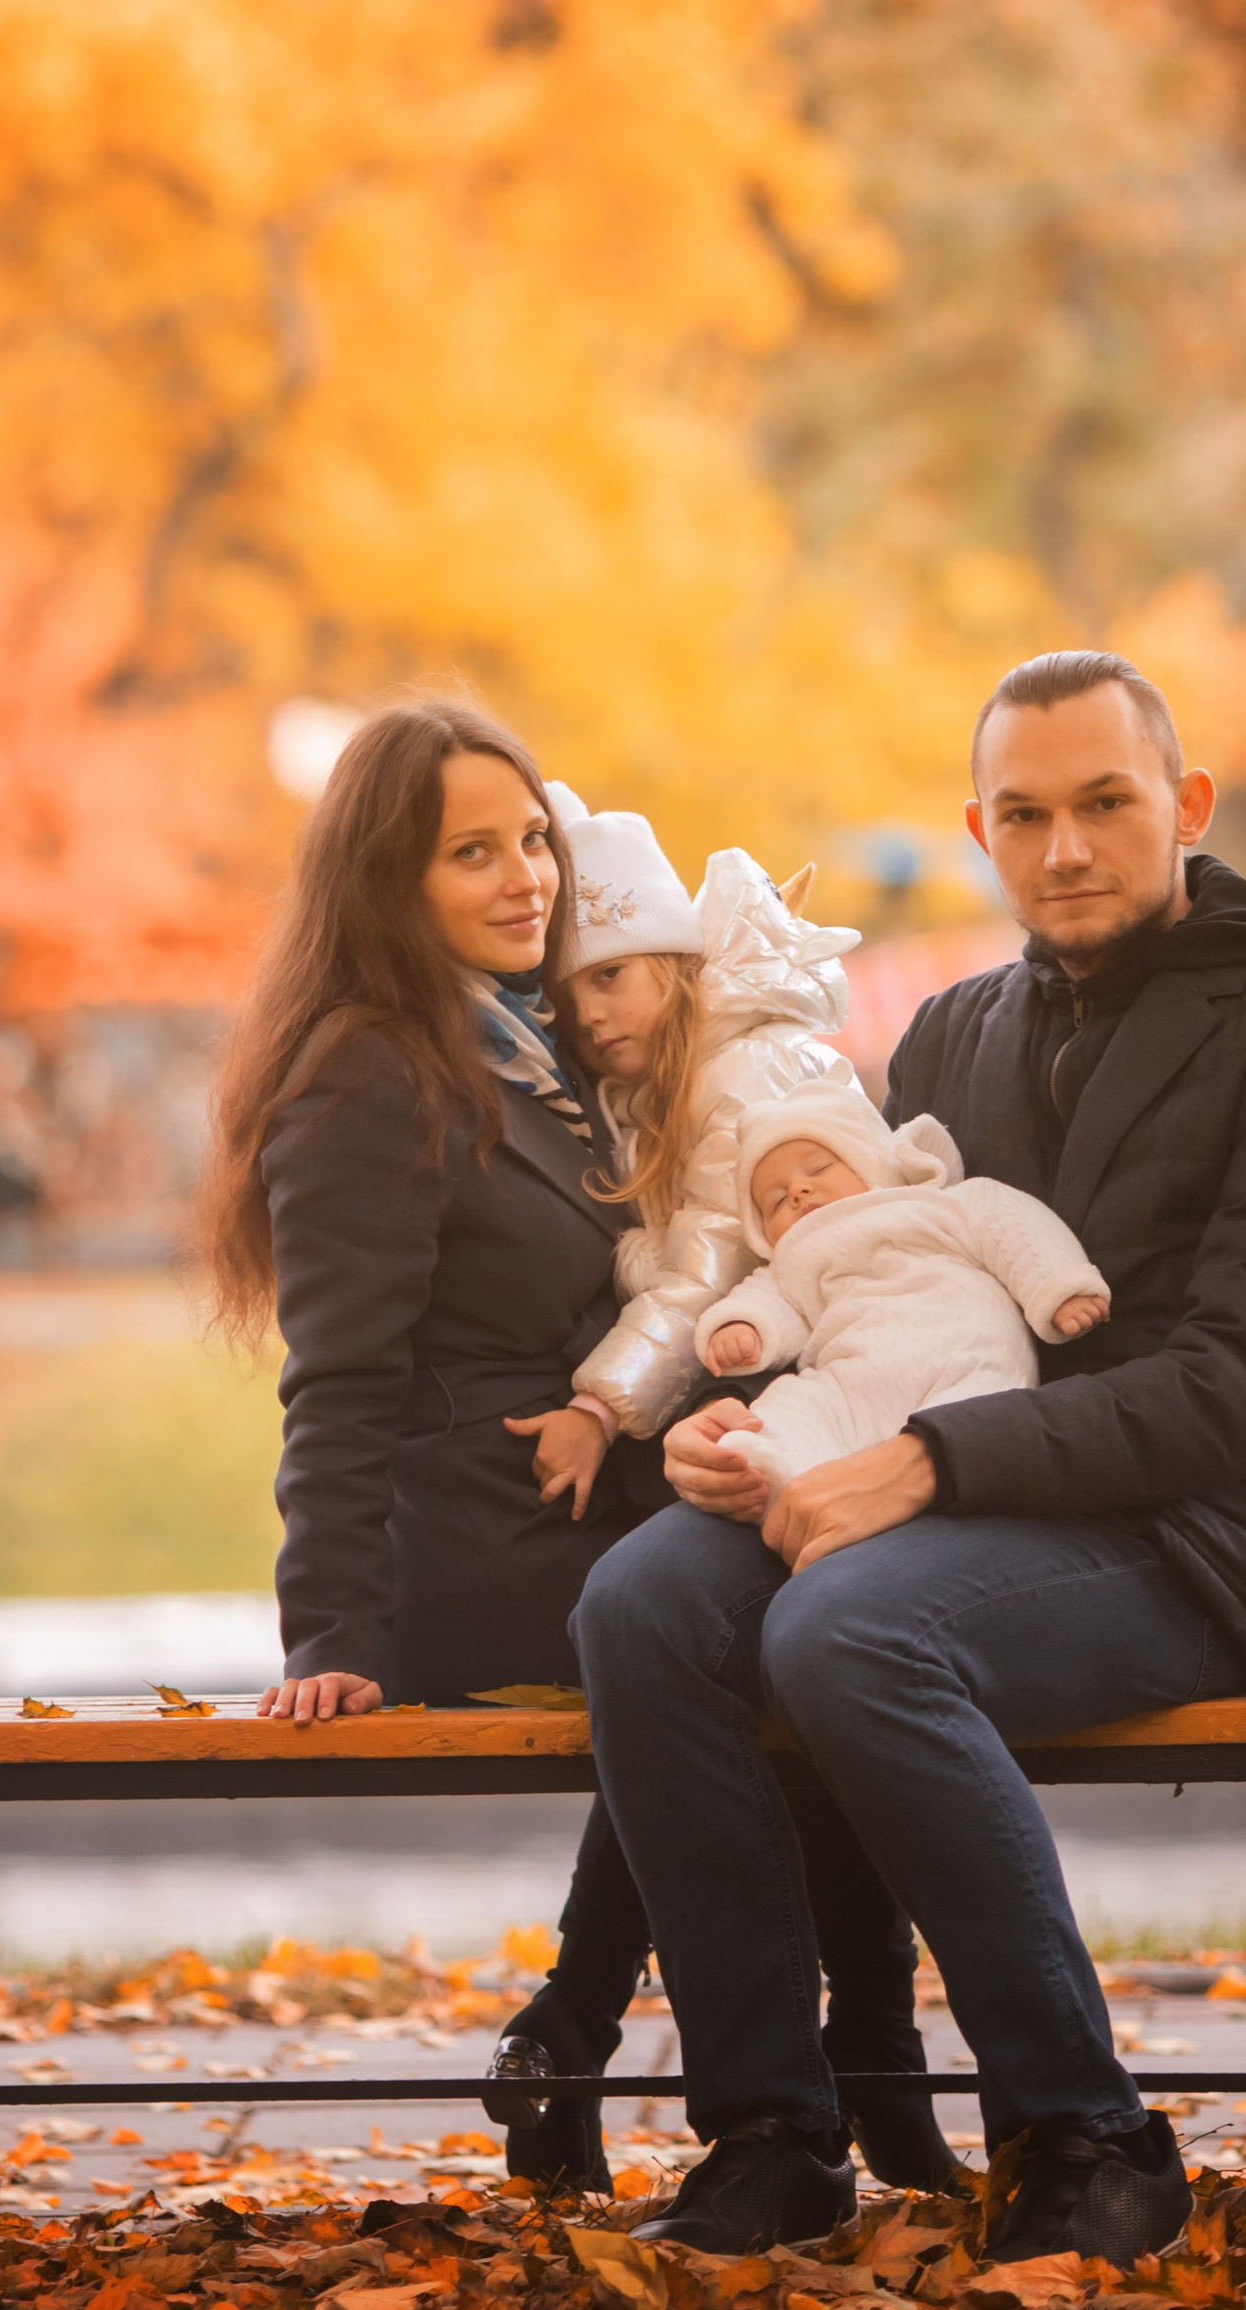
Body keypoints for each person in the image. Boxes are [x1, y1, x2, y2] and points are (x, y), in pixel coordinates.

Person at [572, 647, 1246, 2264]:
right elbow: (858, 1286)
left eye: (1107, 803)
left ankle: (1087, 2135)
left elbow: (1245, 1390)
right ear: (982, 828)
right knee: (638, 1605)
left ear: (1190, 806)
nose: (1067, 848)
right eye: (1025, 815)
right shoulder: (952, 1036)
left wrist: (927, 1465)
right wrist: (744, 1424)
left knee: (849, 1629)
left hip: (1193, 1540)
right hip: (927, 1493)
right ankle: (773, 2133)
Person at [198, 706, 951, 2200]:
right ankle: (814, 2077)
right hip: (472, 1541)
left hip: (571, 1501)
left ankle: (644, 2043)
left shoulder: (528, 1054)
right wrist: (332, 1627)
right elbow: (336, 1378)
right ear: (384, 882)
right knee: (758, 1634)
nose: (524, 876)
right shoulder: (370, 1073)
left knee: (818, 1616)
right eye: (470, 853)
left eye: (532, 837)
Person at [517, 787, 874, 1506]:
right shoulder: (654, 1094)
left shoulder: (744, 1074)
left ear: (670, 958)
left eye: (609, 975)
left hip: (858, 1363)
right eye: (567, 994)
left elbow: (710, 1270)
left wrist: (599, 1410)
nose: (588, 1013)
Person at [695, 1087, 1110, 1487]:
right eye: (776, 1201)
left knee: (980, 1412)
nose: (799, 1192)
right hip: (851, 1383)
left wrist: (1058, 1286)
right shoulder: (792, 1260)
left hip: (964, 1355)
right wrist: (743, 1327)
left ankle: (935, 1485)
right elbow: (767, 1300)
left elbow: (1014, 1227)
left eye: (820, 1168)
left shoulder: (936, 1203)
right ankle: (772, 1472)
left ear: (872, 1160)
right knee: (795, 1407)